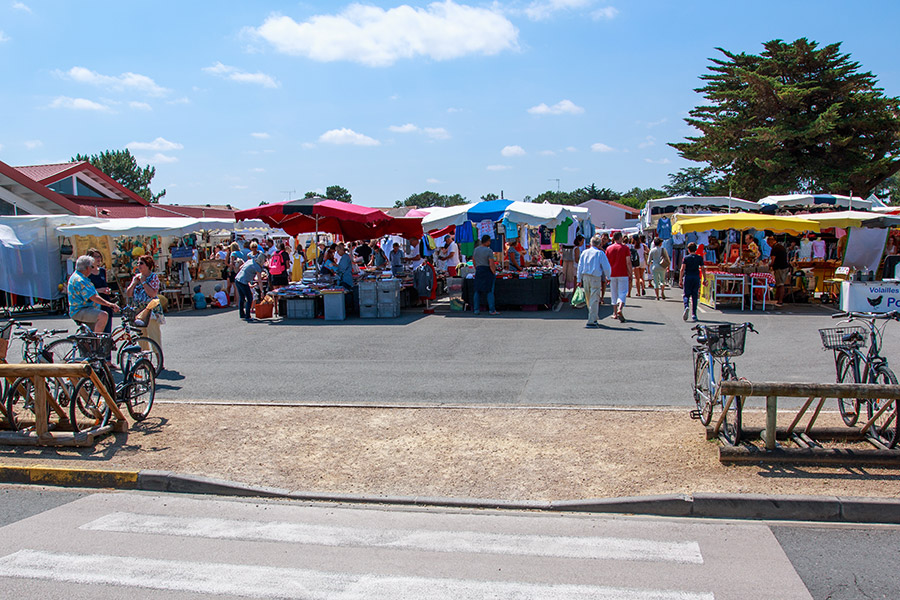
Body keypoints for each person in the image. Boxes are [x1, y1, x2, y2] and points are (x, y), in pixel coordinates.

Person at [67, 254, 120, 334]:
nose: (92, 269)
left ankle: (91, 344)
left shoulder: (79, 277)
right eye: (92, 267)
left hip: (84, 309)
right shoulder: (80, 280)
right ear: (87, 268)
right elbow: (93, 297)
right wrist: (110, 304)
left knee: (89, 333)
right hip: (80, 310)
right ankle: (96, 343)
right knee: (103, 315)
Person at [126, 254, 163, 349]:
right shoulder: (136, 278)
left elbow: (152, 294)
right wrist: (134, 283)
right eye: (138, 263)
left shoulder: (153, 277)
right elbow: (129, 294)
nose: (139, 265)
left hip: (151, 311)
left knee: (154, 337)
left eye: (141, 263)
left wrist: (143, 282)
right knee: (141, 337)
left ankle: (159, 360)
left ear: (148, 265)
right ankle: (144, 360)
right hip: (139, 311)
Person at [576, 235, 612, 328]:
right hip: (595, 277)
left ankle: (593, 316)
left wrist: (579, 279)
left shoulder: (584, 252)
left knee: (588, 297)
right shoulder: (600, 253)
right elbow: (606, 266)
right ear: (599, 244)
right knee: (594, 298)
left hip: (585, 277)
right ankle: (592, 319)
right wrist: (608, 276)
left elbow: (580, 266)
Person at [605, 231, 632, 322]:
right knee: (623, 292)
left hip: (612, 273)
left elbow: (606, 263)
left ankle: (615, 313)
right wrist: (630, 273)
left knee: (614, 293)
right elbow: (628, 262)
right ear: (620, 238)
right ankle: (620, 308)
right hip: (623, 273)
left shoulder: (609, 248)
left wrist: (606, 274)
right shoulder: (625, 248)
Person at [87, 248, 114, 334]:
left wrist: (107, 290)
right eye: (96, 257)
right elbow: (86, 290)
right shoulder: (87, 272)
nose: (98, 259)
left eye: (99, 256)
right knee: (96, 331)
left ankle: (105, 347)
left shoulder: (102, 271)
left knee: (107, 331)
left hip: (105, 301)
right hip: (94, 303)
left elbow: (104, 284)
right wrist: (99, 290)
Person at [234, 252, 267, 321]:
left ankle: (242, 314)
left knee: (242, 297)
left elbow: (241, 267)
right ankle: (247, 316)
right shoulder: (257, 267)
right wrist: (262, 291)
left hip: (237, 279)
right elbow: (259, 280)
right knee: (249, 298)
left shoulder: (250, 261)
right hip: (243, 282)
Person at [472, 235, 499, 316]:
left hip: (479, 270)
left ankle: (476, 309)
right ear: (487, 241)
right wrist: (494, 272)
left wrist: (477, 268)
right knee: (489, 291)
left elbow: (474, 261)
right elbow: (491, 263)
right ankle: (492, 310)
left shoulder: (476, 250)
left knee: (477, 291)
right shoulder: (489, 251)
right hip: (487, 271)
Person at [680, 242, 706, 322]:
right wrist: (704, 278)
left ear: (688, 249)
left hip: (688, 277)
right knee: (694, 296)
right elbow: (703, 268)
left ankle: (686, 306)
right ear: (696, 249)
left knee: (686, 295)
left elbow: (682, 269)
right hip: (696, 277)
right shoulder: (699, 258)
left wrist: (680, 279)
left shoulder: (686, 258)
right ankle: (694, 314)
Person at [768, 236, 791, 307]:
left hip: (780, 268)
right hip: (785, 267)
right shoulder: (781, 247)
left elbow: (773, 260)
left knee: (780, 284)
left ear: (771, 241)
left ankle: (780, 300)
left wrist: (768, 266)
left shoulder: (774, 248)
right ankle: (777, 299)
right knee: (779, 284)